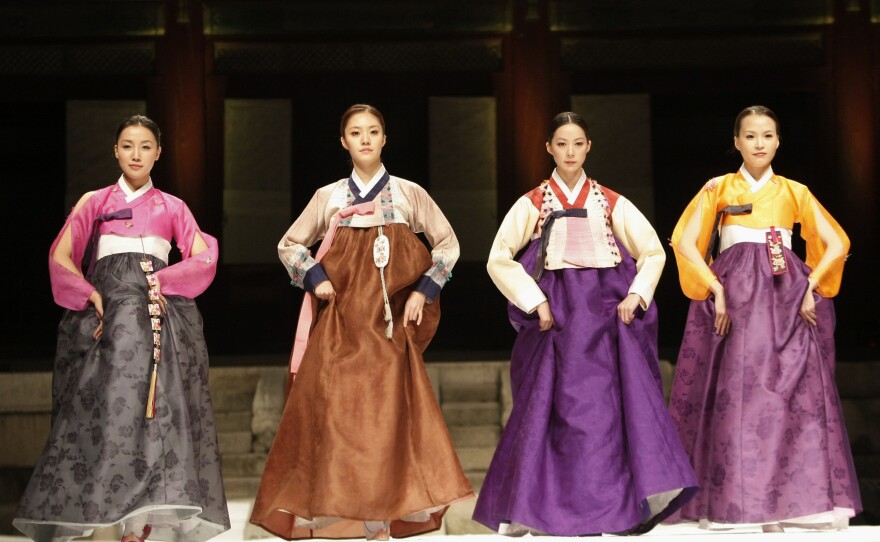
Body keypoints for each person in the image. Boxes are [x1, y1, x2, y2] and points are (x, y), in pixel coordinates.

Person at [249, 104, 473, 541]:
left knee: (386, 421)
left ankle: (381, 523)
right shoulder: (329, 196)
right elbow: (289, 244)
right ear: (344, 142)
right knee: (339, 420)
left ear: (385, 139)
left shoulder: (410, 194)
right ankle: (350, 516)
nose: (365, 139)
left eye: (373, 131)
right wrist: (315, 279)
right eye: (356, 132)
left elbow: (448, 244)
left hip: (388, 330)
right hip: (340, 328)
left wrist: (424, 291)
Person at [474, 112, 697, 536]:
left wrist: (637, 294)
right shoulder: (535, 202)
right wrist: (534, 300)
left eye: (578, 143)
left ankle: (615, 509)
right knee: (548, 409)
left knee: (606, 413)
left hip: (604, 317)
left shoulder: (609, 201)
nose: (570, 152)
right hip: (555, 317)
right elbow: (498, 257)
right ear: (549, 148)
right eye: (562, 144)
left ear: (589, 147)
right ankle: (537, 508)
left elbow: (653, 251)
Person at [13, 115, 229, 542]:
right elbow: (61, 256)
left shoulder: (173, 207)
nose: (136, 153)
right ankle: (106, 518)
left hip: (157, 321)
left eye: (145, 145)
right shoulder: (94, 201)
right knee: (109, 413)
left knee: (159, 414)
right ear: (115, 150)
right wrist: (88, 293)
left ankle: (143, 521)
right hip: (109, 320)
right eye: (128, 145)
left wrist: (161, 280)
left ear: (158, 153)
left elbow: (204, 257)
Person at [668, 105, 861, 531]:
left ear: (778, 141)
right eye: (750, 136)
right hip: (735, 298)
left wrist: (811, 286)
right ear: (736, 141)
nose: (759, 143)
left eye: (768, 135)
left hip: (785, 297)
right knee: (738, 398)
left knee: (788, 398)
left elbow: (838, 241)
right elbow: (683, 241)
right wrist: (713, 287)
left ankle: (783, 503)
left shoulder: (795, 191)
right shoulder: (717, 187)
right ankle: (736, 503)